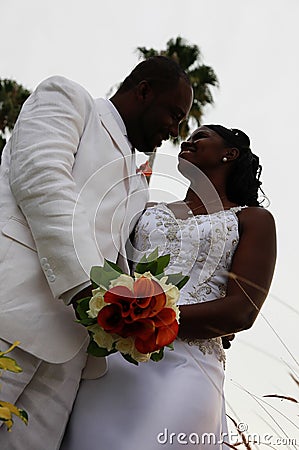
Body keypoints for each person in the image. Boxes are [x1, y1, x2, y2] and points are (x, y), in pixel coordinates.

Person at [0, 56, 193, 449]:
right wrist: (88, 289)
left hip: (72, 354)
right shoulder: (68, 98)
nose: (174, 130)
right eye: (174, 114)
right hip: (10, 315)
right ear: (143, 91)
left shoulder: (140, 189)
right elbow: (41, 179)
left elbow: (119, 258)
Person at [61, 124, 276, 450]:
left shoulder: (251, 219)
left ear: (229, 154)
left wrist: (150, 318)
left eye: (201, 137)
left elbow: (242, 310)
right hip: (118, 360)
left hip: (189, 363)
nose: (188, 141)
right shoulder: (145, 210)